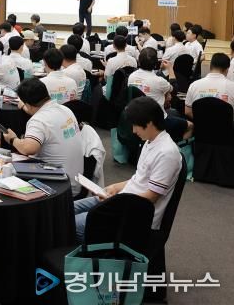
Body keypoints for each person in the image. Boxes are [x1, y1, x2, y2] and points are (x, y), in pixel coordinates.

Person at [74, 97, 182, 241]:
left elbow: (151, 197)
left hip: (133, 215)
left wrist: (116, 201)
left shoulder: (167, 153)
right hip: (124, 202)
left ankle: (93, 251)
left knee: (70, 224)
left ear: (149, 122)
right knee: (65, 210)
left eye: (135, 125)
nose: (133, 130)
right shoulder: (150, 142)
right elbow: (139, 179)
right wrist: (115, 187)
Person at [2, 78, 84, 195]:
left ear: (28, 104)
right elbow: (37, 113)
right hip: (75, 181)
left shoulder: (39, 120)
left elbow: (28, 149)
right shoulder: (65, 110)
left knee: (7, 174)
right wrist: (24, 107)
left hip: (58, 185)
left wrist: (12, 139)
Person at [130, 48, 192, 141]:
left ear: (139, 61)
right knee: (191, 125)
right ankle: (174, 146)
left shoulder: (131, 77)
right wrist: (170, 69)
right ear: (156, 63)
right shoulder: (159, 81)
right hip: (158, 121)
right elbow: (174, 89)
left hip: (137, 117)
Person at [185, 53, 234, 118]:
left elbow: (187, 111)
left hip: (201, 124)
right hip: (226, 124)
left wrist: (203, 120)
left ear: (210, 66)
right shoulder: (232, 86)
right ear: (227, 69)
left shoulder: (194, 85)